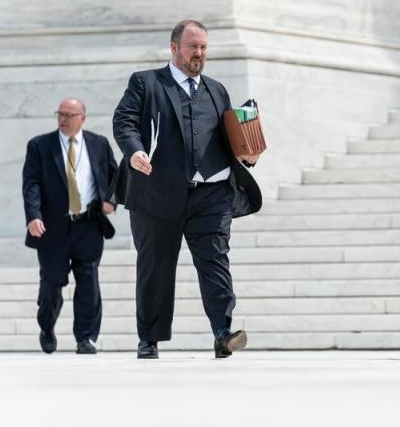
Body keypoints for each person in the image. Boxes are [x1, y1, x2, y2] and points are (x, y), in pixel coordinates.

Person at [112, 20, 262, 359]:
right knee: (155, 266)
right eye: (193, 46)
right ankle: (148, 338)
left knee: (215, 261)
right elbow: (124, 120)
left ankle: (222, 332)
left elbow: (226, 138)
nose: (199, 53)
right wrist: (135, 150)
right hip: (157, 191)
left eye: (204, 48)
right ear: (174, 47)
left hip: (211, 193)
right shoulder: (146, 82)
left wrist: (248, 156)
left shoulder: (216, 89)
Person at [22, 98, 118, 355]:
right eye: (60, 114)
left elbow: (115, 177)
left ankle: (85, 338)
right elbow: (31, 184)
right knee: (52, 284)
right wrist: (33, 216)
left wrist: (112, 200)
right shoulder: (40, 146)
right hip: (52, 228)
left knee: (89, 282)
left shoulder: (99, 144)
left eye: (69, 115)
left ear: (83, 118)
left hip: (88, 224)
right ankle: (47, 326)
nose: (63, 119)